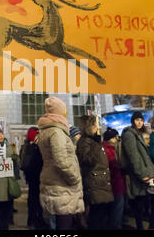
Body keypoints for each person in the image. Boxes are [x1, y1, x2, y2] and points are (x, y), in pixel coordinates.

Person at [37, 97, 85, 230]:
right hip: (62, 185)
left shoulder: (48, 130)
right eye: (64, 111)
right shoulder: (57, 132)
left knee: (59, 223)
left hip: (55, 181)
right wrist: (74, 178)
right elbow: (61, 160)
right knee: (64, 224)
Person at [121, 111, 154, 230]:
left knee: (152, 201)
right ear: (133, 121)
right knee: (142, 202)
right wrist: (142, 174)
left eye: (141, 120)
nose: (139, 122)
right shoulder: (129, 134)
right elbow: (133, 155)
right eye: (137, 120)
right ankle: (144, 226)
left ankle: (149, 226)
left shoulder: (138, 134)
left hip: (147, 174)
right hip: (142, 175)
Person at [76, 115, 113, 230]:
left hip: (101, 182)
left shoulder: (92, 141)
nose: (97, 127)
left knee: (101, 214)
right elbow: (89, 160)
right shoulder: (85, 142)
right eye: (95, 125)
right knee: (95, 216)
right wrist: (97, 145)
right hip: (94, 183)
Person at [19, 127, 48, 229]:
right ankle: (34, 220)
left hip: (37, 176)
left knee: (36, 199)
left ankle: (35, 219)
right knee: (34, 199)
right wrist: (37, 146)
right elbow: (31, 162)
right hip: (34, 177)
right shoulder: (30, 147)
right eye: (37, 135)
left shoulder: (30, 146)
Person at [102, 128, 126, 230]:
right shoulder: (110, 150)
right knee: (117, 207)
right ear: (112, 138)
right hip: (115, 182)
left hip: (111, 183)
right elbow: (114, 165)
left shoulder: (104, 148)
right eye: (116, 138)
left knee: (113, 207)